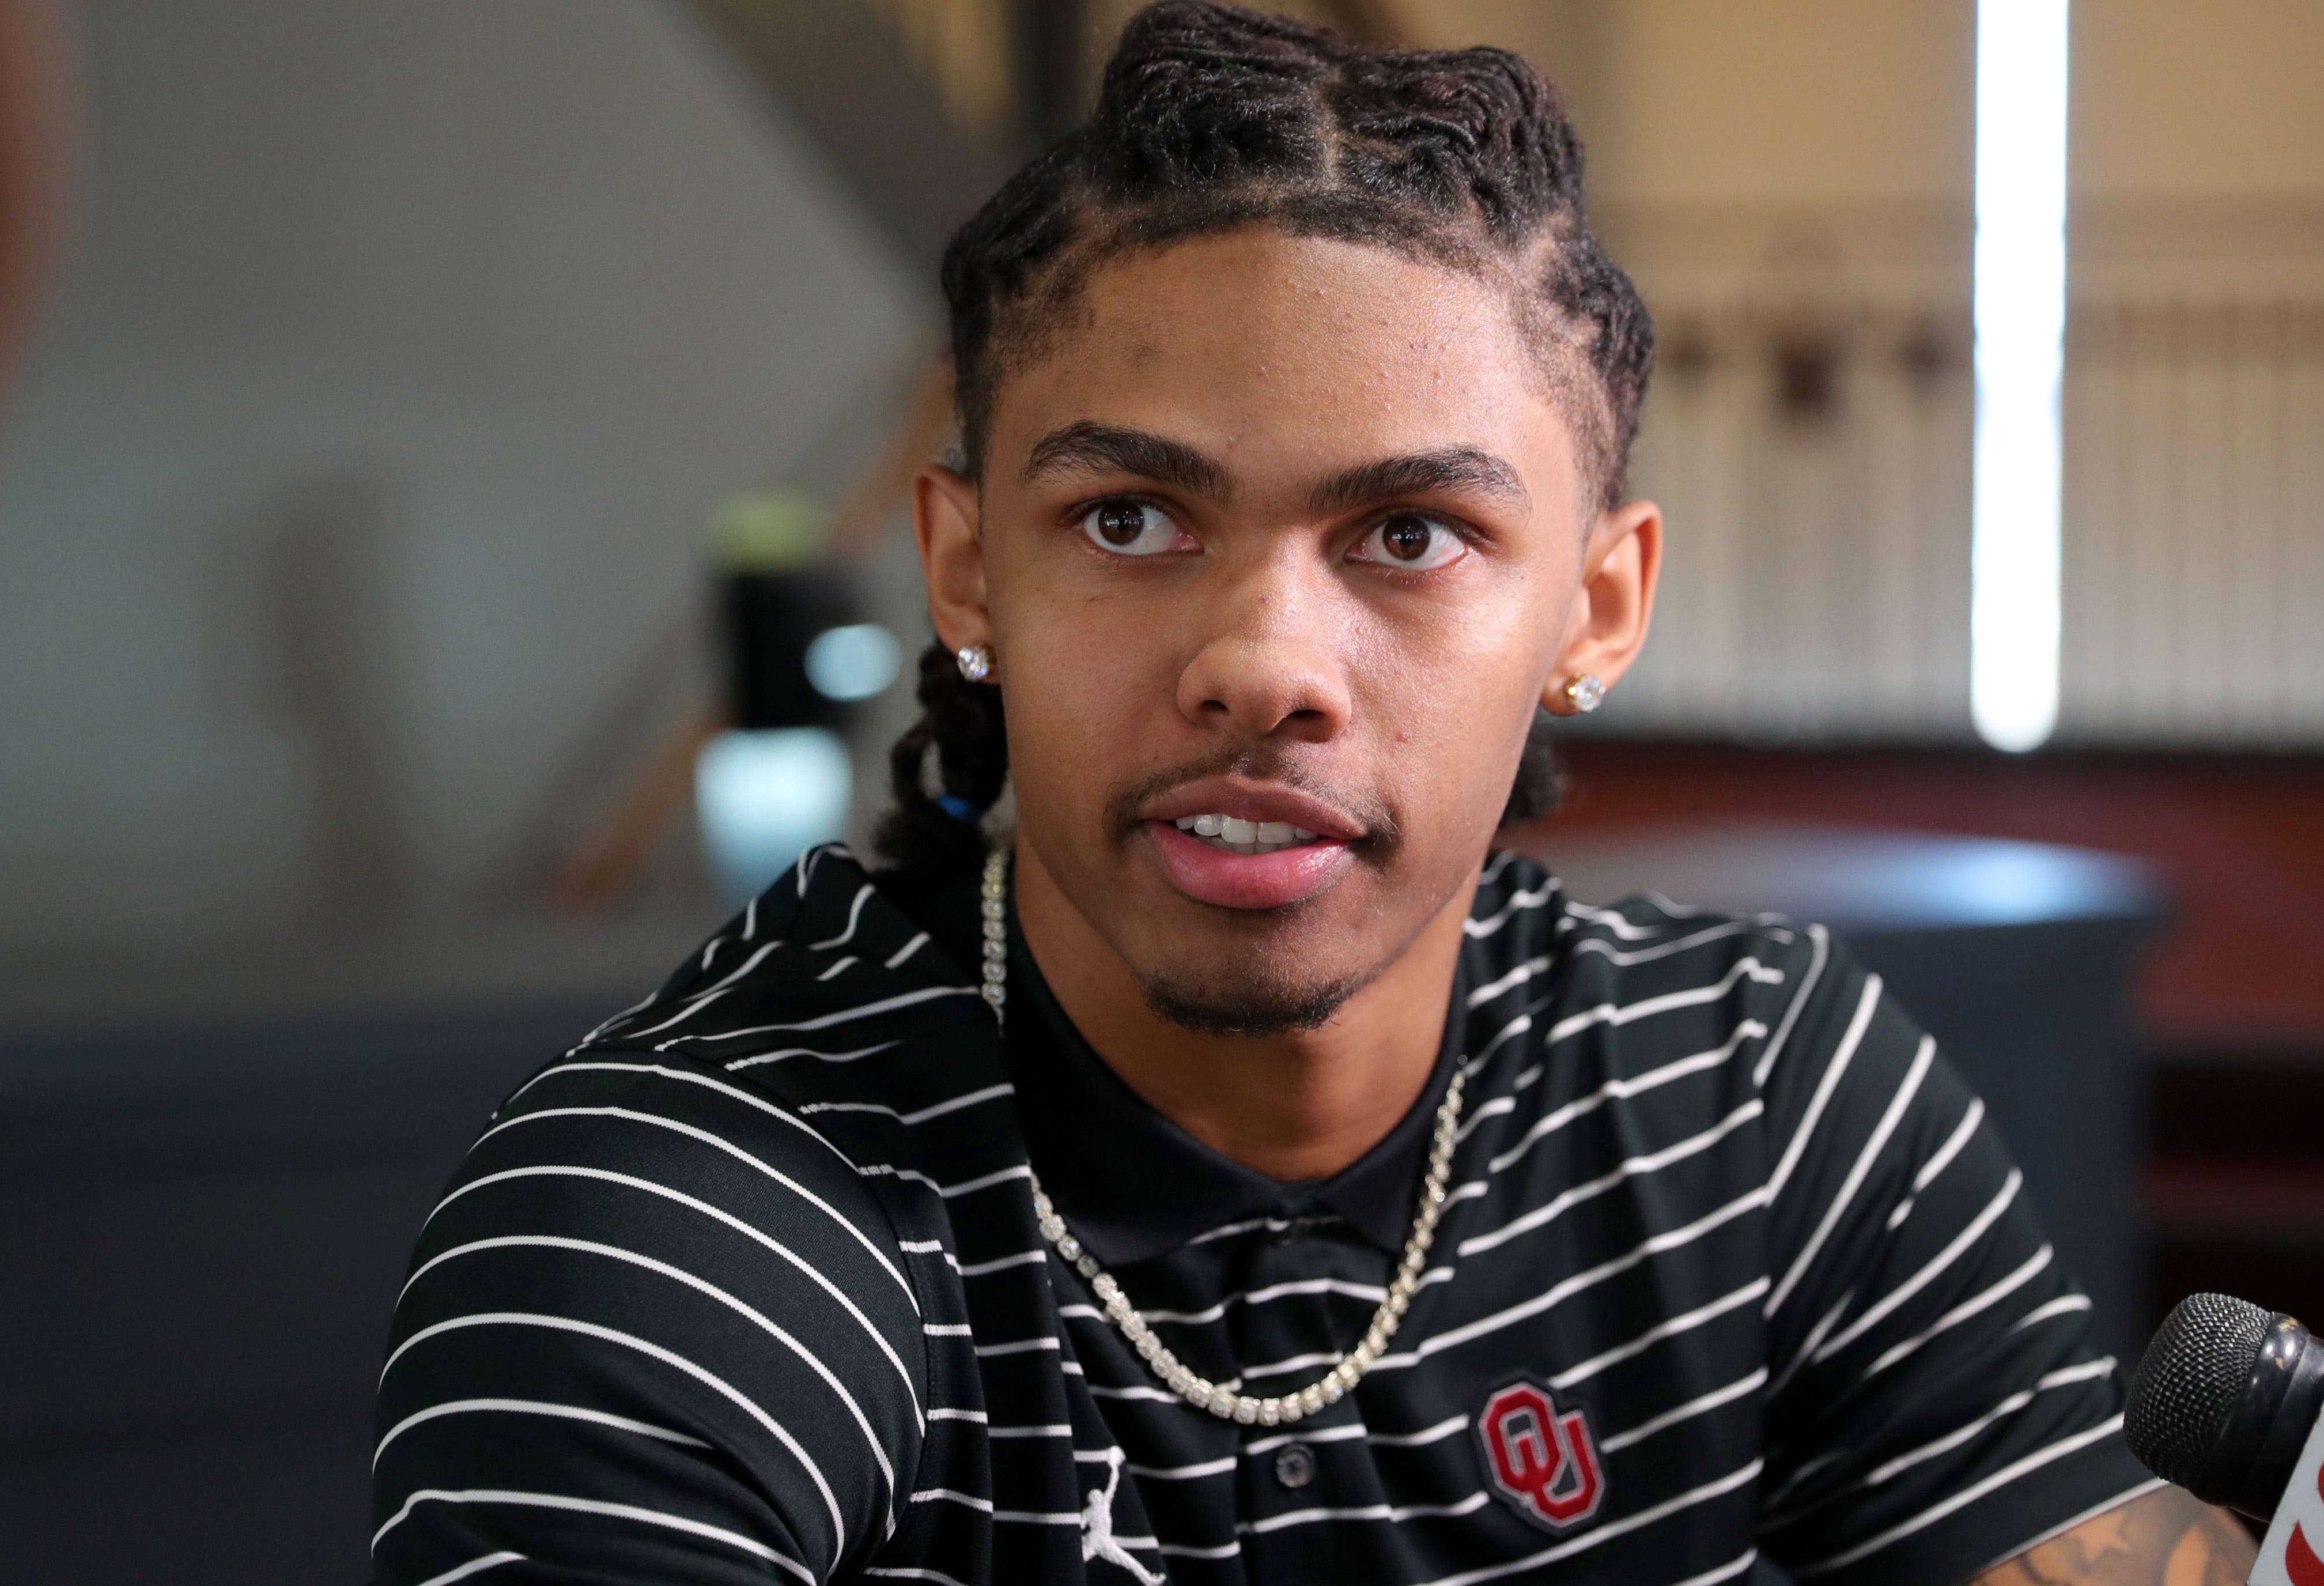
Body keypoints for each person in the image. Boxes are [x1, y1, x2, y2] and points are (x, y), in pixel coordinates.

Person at [370, 6, 2253, 1582]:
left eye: (1411, 532)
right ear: (964, 574)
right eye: (1131, 518)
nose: (1262, 662)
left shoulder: (1756, 1091)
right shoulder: (677, 1233)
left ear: (1597, 610)